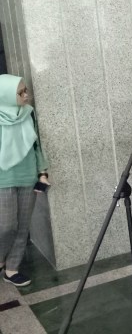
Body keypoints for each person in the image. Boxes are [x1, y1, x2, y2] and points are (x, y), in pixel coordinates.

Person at [0, 74, 49, 287]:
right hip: (3, 178)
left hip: (27, 175)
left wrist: (42, 173)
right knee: (6, 226)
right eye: (21, 93)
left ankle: (12, 269)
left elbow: (36, 145)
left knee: (22, 227)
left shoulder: (28, 113)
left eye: (25, 90)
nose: (26, 95)